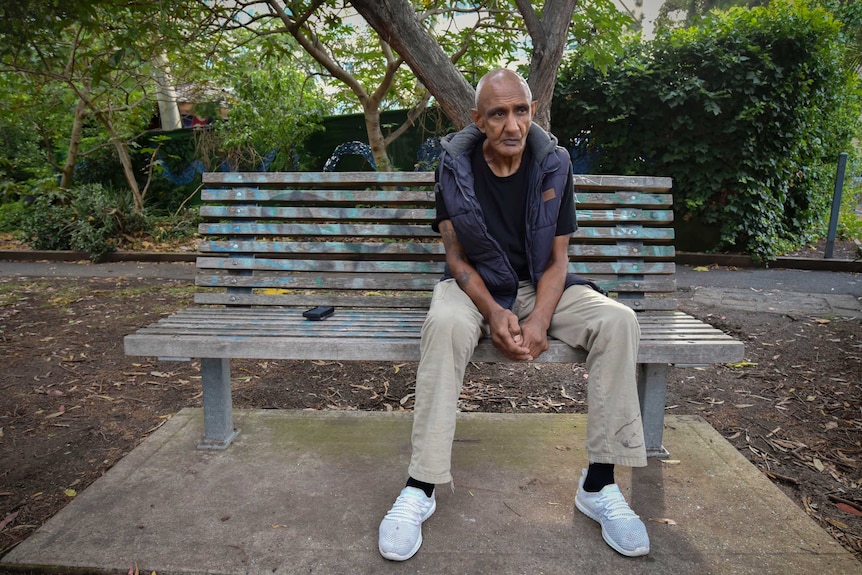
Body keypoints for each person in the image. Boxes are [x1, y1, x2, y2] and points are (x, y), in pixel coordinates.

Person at [377, 69, 650, 561]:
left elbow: (558, 258)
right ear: (479, 120)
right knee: (444, 323)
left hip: (542, 286)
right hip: (475, 287)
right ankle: (421, 485)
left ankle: (600, 483)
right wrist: (493, 310)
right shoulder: (454, 167)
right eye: (498, 113)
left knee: (618, 321)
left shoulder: (554, 165)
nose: (511, 124)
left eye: (520, 111)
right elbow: (456, 257)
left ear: (532, 113)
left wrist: (539, 318)